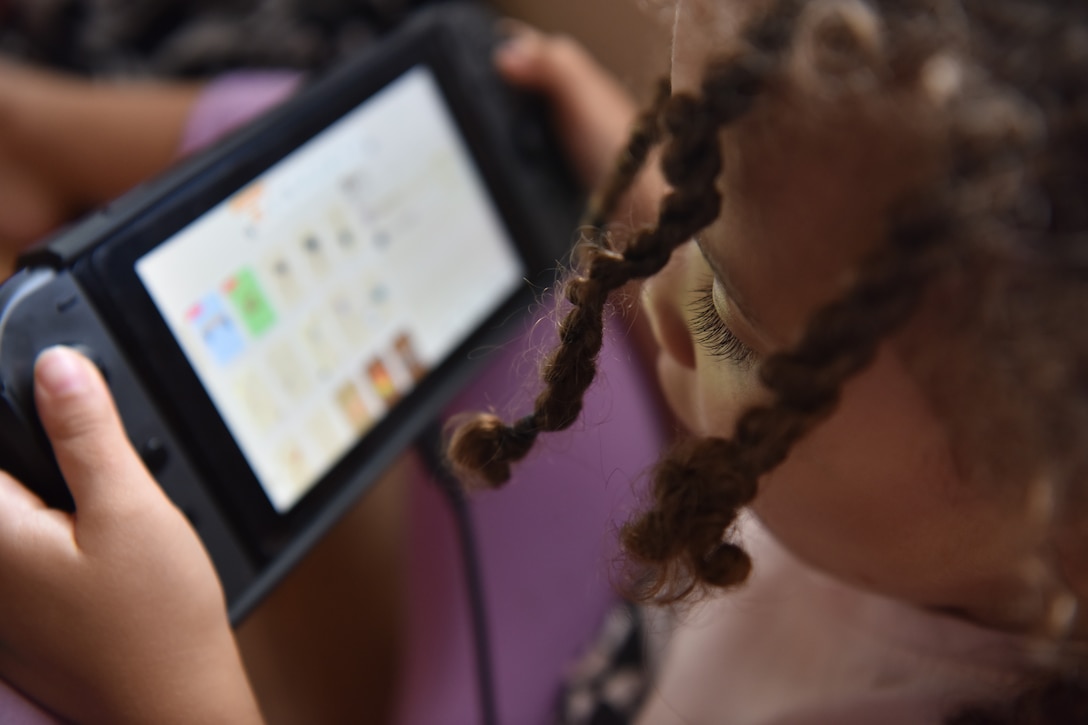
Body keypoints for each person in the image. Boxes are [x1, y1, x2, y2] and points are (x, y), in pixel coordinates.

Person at [2, 1, 1088, 724]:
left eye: (727, 324)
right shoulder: (945, 494)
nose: (657, 291)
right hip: (644, 624)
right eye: (685, 199)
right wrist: (652, 193)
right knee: (405, 161)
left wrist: (167, 693)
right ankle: (28, 131)